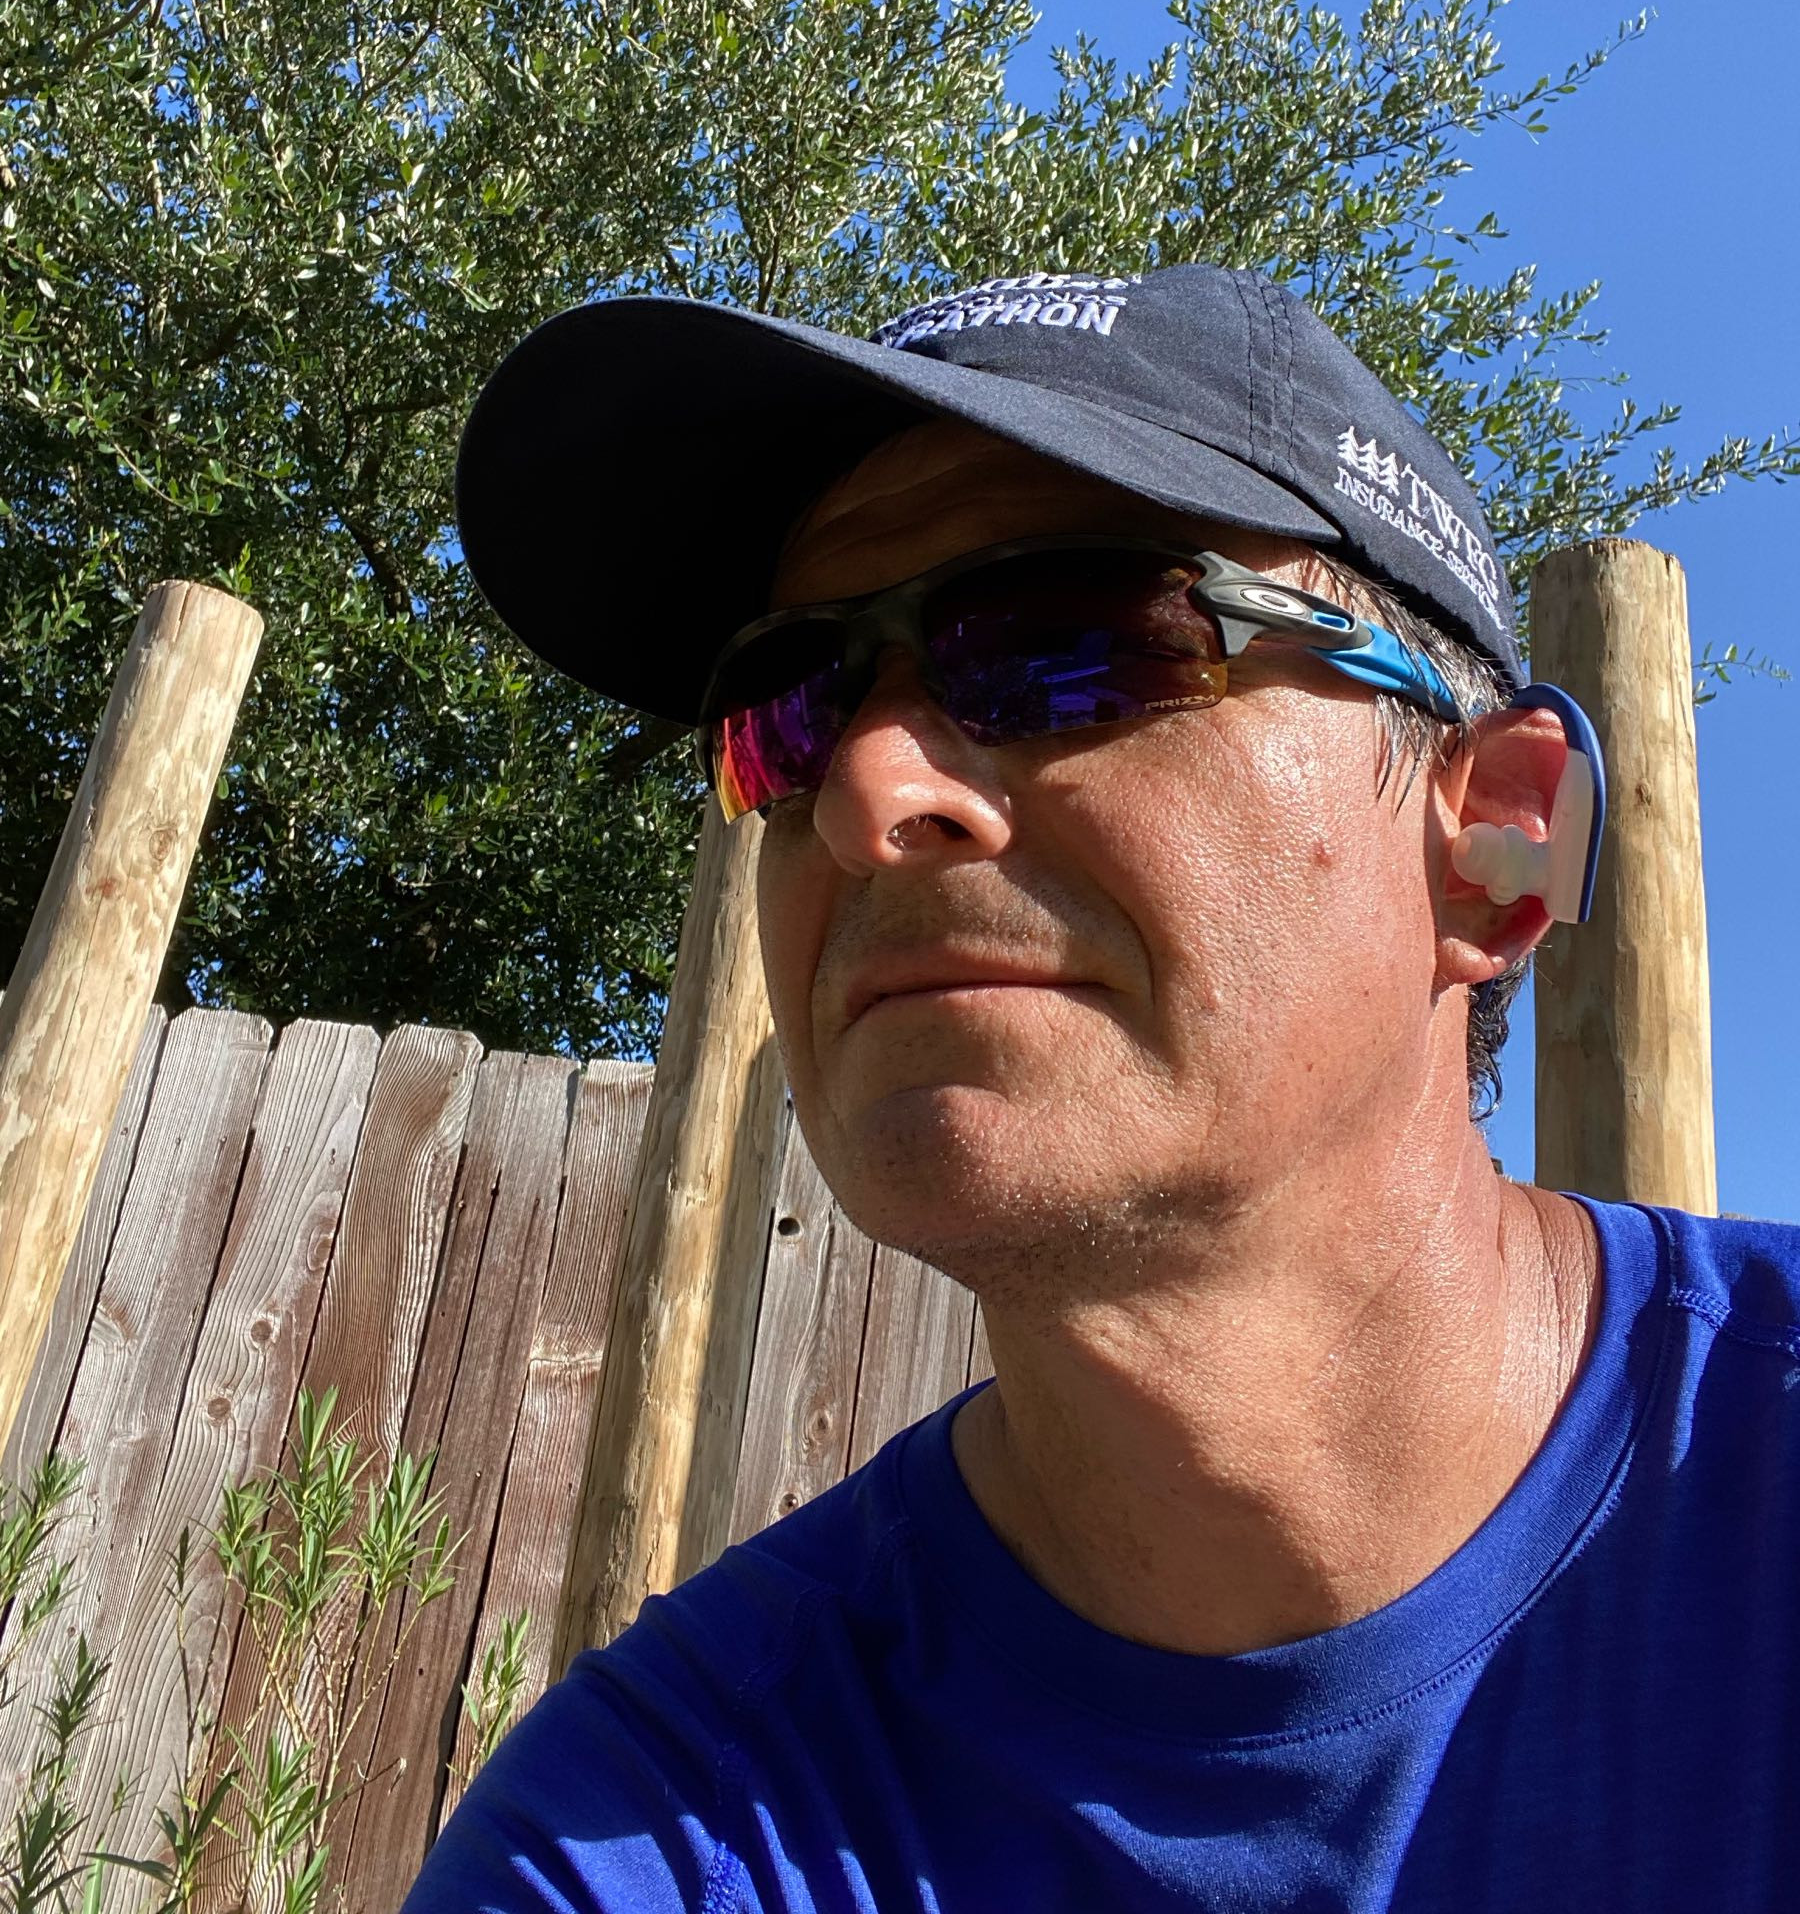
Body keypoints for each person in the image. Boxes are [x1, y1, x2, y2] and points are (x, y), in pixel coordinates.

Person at [409, 265, 1800, 1913]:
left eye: (1066, 646)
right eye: (790, 712)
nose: (865, 794)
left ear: (1495, 845)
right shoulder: (652, 1836)